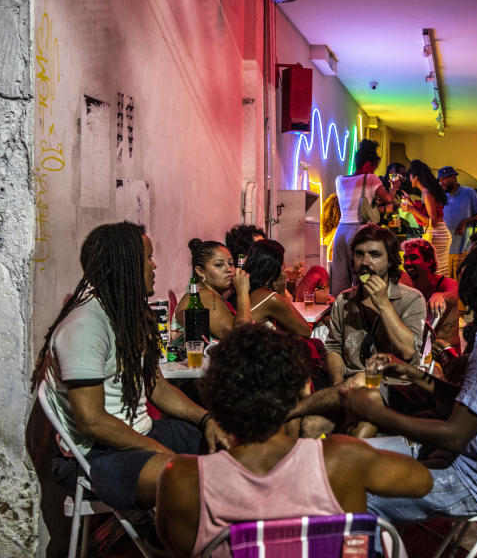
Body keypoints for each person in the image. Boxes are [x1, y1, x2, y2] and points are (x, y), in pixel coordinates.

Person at [155, 325, 433, 558]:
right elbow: (423, 481)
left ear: (213, 398)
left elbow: (180, 548)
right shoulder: (343, 459)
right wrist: (370, 416)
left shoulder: (180, 478)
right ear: (300, 390)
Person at [339, 231, 477, 523]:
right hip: (473, 461)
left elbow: (454, 434)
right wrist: (412, 373)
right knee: (347, 454)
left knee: (350, 488)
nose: (463, 292)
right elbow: (464, 403)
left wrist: (377, 414)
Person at [31, 222, 231, 511]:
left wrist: (207, 420)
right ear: (123, 265)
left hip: (143, 435)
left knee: (237, 443)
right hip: (98, 455)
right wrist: (165, 454)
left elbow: (157, 387)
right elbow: (92, 421)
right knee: (185, 479)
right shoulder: (85, 326)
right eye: (147, 257)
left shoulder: (128, 315)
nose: (154, 266)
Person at [324, 223, 425, 383]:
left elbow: (408, 352)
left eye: (375, 255)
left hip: (394, 387)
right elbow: (333, 348)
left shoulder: (411, 299)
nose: (365, 262)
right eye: (359, 254)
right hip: (350, 387)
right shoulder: (343, 301)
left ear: (391, 260)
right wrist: (338, 383)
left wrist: (384, 304)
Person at [332, 139, 399, 295]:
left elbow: (352, 203)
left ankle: (340, 311)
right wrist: (395, 187)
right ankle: (362, 313)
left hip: (341, 231)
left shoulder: (340, 180)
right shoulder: (370, 179)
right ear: (368, 164)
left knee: (340, 277)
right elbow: (389, 198)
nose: (374, 171)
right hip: (359, 230)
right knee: (362, 276)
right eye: (374, 167)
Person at [226, 223, 328, 300]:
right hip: (286, 312)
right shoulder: (243, 277)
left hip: (289, 306)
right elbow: (287, 303)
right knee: (317, 272)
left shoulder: (265, 271)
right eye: (261, 248)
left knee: (318, 272)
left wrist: (289, 275)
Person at [175, 239, 251, 340]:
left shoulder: (206, 294)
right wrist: (243, 292)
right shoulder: (205, 296)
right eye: (219, 265)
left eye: (231, 263)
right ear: (200, 271)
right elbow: (242, 340)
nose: (229, 269)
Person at [243, 239, 312, 338]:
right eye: (283, 263)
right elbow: (306, 331)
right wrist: (281, 293)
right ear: (275, 267)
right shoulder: (271, 298)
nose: (285, 266)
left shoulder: (247, 288)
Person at [402, 238, 460, 348]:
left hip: (446, 356)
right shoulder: (407, 287)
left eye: (413, 258)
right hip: (420, 356)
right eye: (405, 259)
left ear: (429, 261)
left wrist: (441, 296)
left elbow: (454, 294)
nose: (407, 263)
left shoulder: (445, 283)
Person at [404, 159, 451, 276]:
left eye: (410, 176)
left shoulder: (426, 193)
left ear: (415, 177)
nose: (410, 180)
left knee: (435, 273)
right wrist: (411, 204)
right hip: (439, 233)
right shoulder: (427, 191)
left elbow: (432, 222)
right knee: (439, 272)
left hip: (437, 234)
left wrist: (412, 210)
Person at [438, 165, 477, 278]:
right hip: (444, 250)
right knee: (447, 284)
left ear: (454, 177)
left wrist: (465, 222)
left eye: (444, 179)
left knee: (462, 282)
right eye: (440, 180)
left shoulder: (469, 192)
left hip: (463, 249)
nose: (442, 183)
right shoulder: (440, 195)